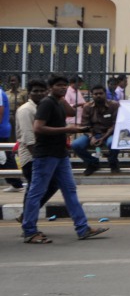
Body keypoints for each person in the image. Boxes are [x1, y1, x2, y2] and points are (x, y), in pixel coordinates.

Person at [21, 76, 109, 243]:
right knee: (37, 192)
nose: (62, 88)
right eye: (58, 86)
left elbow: (71, 113)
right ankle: (29, 231)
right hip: (46, 154)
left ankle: (82, 228)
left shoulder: (58, 102)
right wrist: (67, 129)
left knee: (70, 190)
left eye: (64, 86)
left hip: (60, 154)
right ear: (50, 87)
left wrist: (63, 98)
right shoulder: (46, 103)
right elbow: (38, 128)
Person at [15, 81, 58, 213]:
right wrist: (38, 158)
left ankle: (27, 215)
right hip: (31, 156)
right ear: (29, 93)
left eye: (42, 91)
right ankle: (27, 217)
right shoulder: (26, 110)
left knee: (45, 186)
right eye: (35, 91)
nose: (39, 94)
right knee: (37, 188)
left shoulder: (42, 108)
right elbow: (28, 137)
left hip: (43, 153)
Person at [71, 84, 120, 175]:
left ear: (105, 94)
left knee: (113, 143)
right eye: (95, 94)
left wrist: (103, 138)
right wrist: (92, 137)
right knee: (75, 144)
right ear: (92, 95)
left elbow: (115, 124)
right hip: (93, 133)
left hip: (109, 134)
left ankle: (113, 163)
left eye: (101, 93)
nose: (98, 96)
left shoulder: (114, 105)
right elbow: (85, 125)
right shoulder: (87, 107)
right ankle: (92, 163)